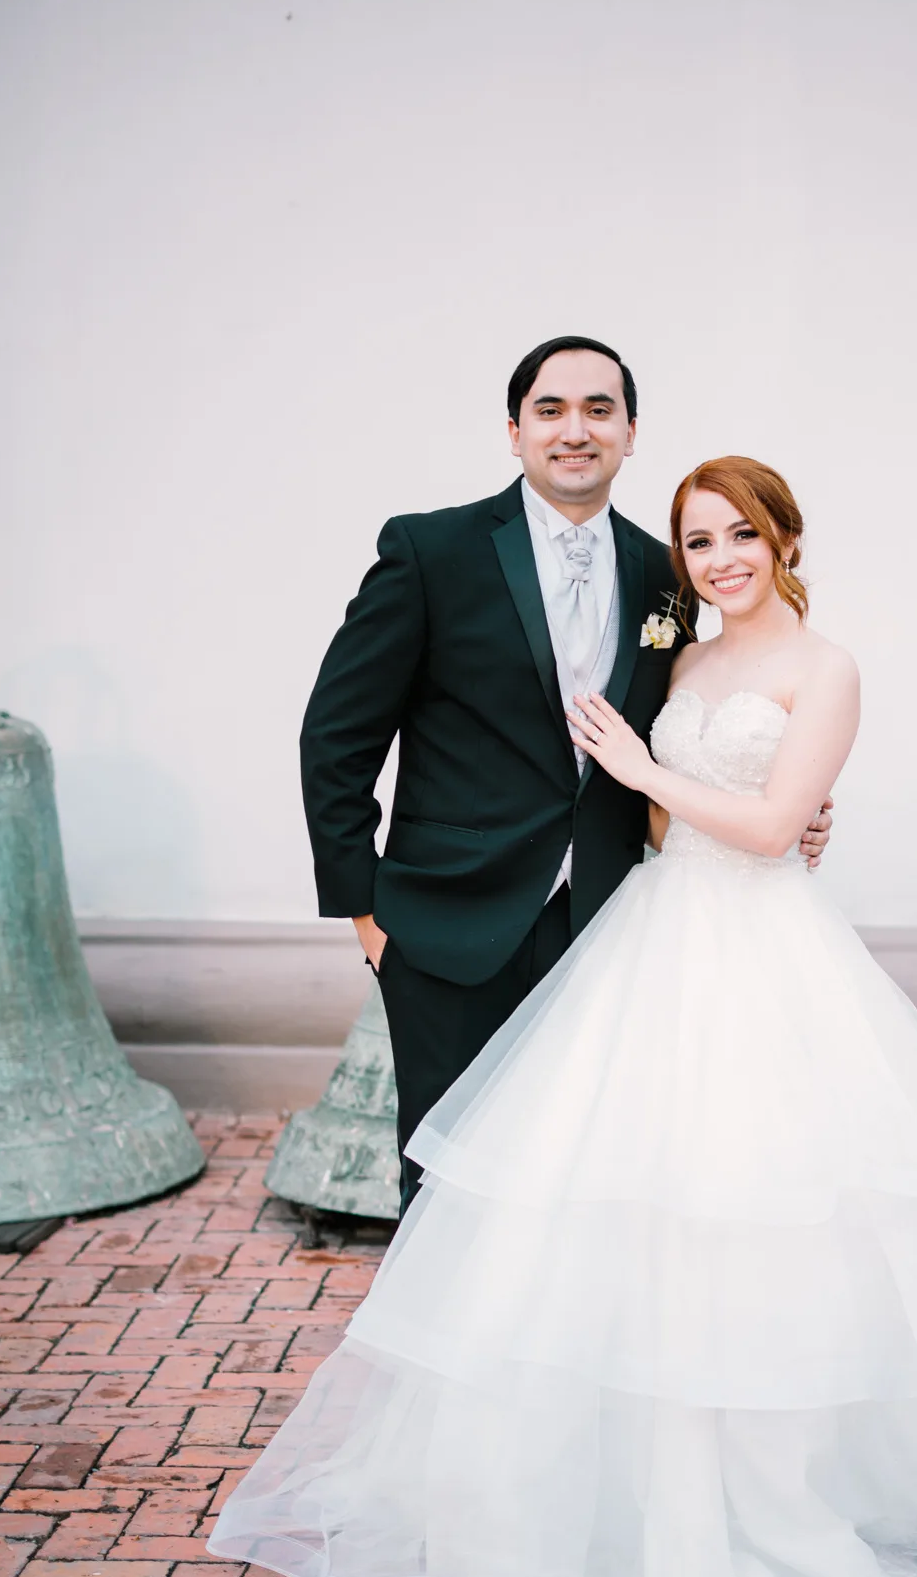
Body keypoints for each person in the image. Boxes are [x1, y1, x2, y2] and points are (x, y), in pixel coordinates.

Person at [212, 456, 917, 1577]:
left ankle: (791, 1471)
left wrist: (691, 783)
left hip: (767, 950)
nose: (720, 559)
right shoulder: (682, 661)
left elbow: (771, 826)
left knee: (769, 1195)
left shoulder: (826, 669)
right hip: (657, 933)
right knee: (625, 1195)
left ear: (783, 539)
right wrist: (657, 790)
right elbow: (662, 820)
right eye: (698, 542)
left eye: (740, 535)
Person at [297, 337, 832, 1211]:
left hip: (611, 928)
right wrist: (366, 913)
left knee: (584, 1187)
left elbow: (676, 737)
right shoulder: (431, 550)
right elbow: (336, 736)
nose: (574, 430)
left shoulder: (665, 573)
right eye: (549, 410)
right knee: (446, 1184)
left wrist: (788, 800)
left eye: (598, 410)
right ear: (514, 432)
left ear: (630, 432)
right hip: (448, 924)